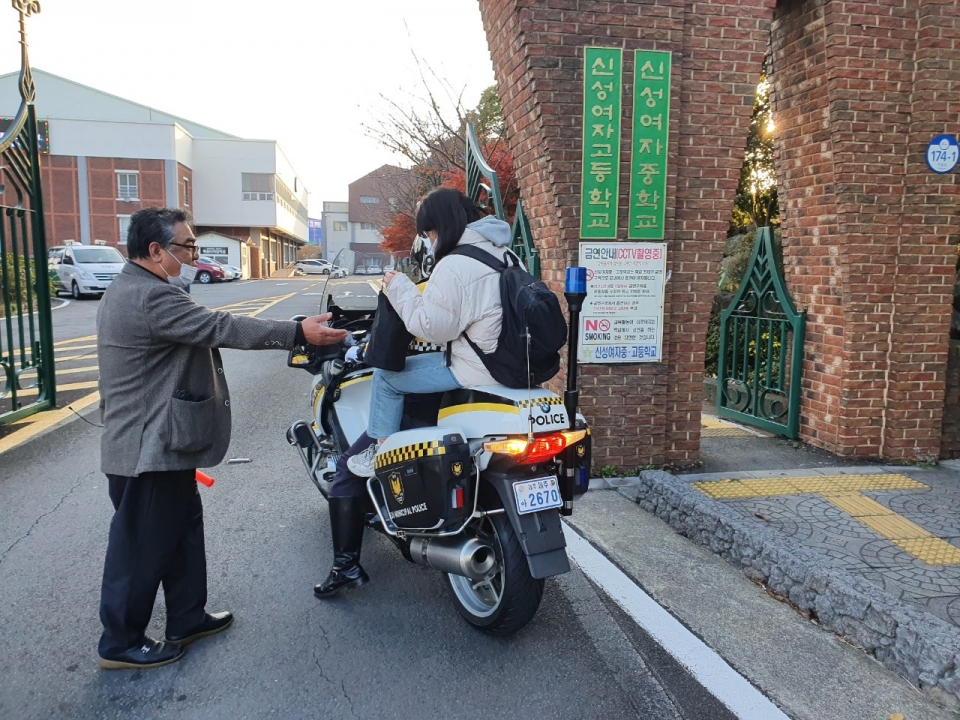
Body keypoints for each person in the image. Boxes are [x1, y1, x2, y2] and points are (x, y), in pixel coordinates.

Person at [96, 207, 347, 670]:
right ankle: (120, 641)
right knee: (143, 546)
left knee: (182, 531)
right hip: (145, 450)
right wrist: (298, 332)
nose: (193, 253)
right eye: (186, 245)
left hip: (164, 443)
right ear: (156, 251)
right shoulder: (149, 297)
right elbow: (220, 326)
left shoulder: (147, 287)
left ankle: (187, 618)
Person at [346, 187, 513, 480]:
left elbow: (433, 329)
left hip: (480, 367)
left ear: (441, 226)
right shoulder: (505, 253)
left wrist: (399, 287)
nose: (430, 240)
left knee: (386, 378)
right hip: (512, 360)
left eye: (429, 232)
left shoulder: (455, 264)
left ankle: (382, 453)